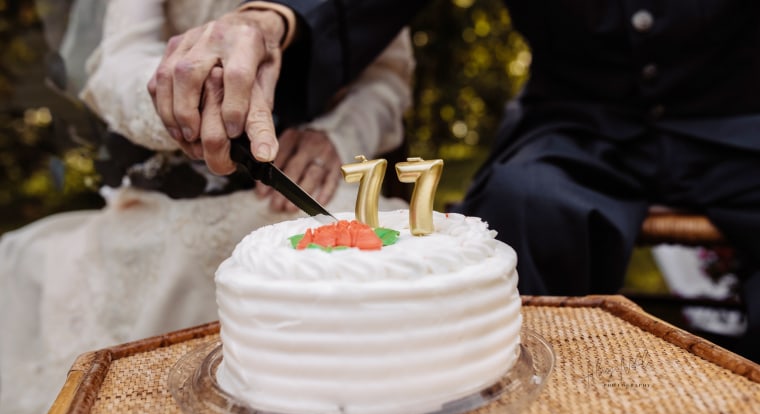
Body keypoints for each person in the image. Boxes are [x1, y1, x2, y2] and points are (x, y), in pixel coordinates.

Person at [146, 1, 760, 363]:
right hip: (582, 123)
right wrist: (272, 20)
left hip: (742, 119)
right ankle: (534, 406)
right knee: (524, 205)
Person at [0, 0, 414, 414]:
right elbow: (117, 59)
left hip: (313, 182)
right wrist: (180, 99)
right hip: (173, 205)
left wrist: (336, 136)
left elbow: (389, 77)